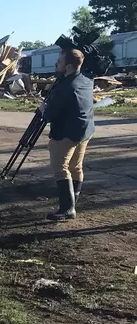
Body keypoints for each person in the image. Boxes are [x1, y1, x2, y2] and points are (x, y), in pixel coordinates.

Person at [39, 48, 95, 221]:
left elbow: (50, 115)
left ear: (69, 66)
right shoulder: (86, 80)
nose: (57, 63)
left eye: (60, 61)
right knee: (76, 167)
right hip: (84, 131)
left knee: (60, 169)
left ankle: (67, 209)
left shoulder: (65, 87)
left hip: (66, 134)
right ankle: (71, 204)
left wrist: (43, 110)